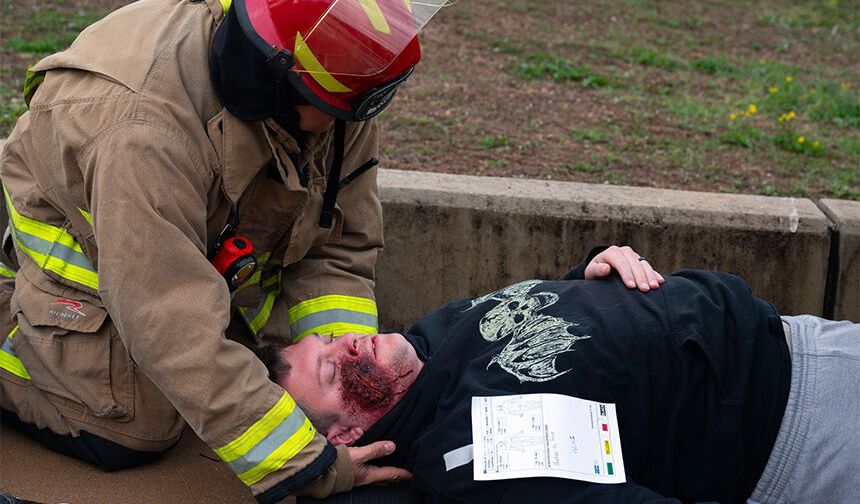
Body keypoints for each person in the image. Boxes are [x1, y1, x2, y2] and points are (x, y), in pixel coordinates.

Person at [0, 0, 664, 501]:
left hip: (174, 235)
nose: (355, 122)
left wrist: (359, 396)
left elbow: (337, 244)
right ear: (272, 86)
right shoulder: (144, 134)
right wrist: (308, 465)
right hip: (92, 240)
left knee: (252, 363)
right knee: (131, 424)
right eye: (341, 109)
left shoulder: (336, 80)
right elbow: (169, 319)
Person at [265, 246, 860, 503]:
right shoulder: (468, 454)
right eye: (331, 368)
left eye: (330, 337)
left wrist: (589, 277)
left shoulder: (432, 339)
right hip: (801, 427)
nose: (348, 341)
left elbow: (538, 336)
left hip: (794, 335)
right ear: (345, 434)